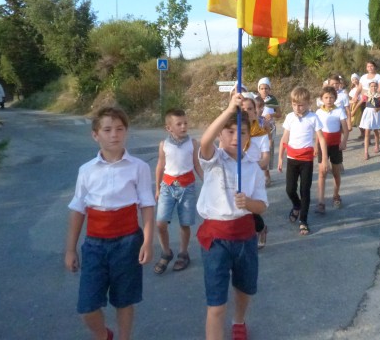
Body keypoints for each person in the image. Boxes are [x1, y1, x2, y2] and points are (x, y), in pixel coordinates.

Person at [65, 106, 155, 340]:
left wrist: (147, 241)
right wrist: (70, 249)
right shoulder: (86, 170)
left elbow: (146, 204)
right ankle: (104, 334)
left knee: (124, 300)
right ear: (96, 135)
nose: (114, 134)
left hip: (127, 242)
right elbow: (78, 209)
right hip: (95, 244)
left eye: (119, 129)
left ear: (126, 132)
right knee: (87, 306)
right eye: (107, 130)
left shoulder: (138, 167)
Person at [196, 93, 268, 340]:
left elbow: (262, 206)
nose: (237, 137)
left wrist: (248, 203)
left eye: (243, 132)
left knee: (244, 288)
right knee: (216, 304)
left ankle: (239, 321)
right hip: (215, 239)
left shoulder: (252, 168)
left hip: (245, 236)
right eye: (230, 132)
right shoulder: (213, 159)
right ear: (221, 135)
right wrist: (229, 110)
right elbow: (204, 142)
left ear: (249, 136)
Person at [153, 108, 204, 275]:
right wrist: (158, 188)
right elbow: (160, 166)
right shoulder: (164, 145)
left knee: (185, 223)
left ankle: (183, 253)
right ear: (169, 128)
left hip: (187, 187)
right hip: (168, 187)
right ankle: (166, 252)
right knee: (160, 223)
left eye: (185, 123)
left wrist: (208, 182)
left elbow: (197, 165)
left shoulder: (193, 143)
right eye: (179, 124)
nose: (183, 127)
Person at [278, 86, 328, 236]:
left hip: (306, 159)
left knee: (304, 190)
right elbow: (284, 138)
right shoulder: (290, 117)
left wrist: (324, 160)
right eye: (294, 104)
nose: (297, 108)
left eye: (300, 105)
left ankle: (303, 221)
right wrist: (280, 157)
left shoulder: (313, 117)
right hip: (292, 158)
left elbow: (321, 139)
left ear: (308, 103)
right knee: (290, 189)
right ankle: (296, 205)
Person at [241, 96, 270, 249]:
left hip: (255, 175)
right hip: (238, 174)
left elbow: (265, 159)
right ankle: (256, 230)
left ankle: (260, 229)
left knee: (250, 207)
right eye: (243, 109)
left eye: (250, 109)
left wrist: (252, 168)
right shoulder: (235, 132)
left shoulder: (262, 134)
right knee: (242, 208)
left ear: (256, 111)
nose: (246, 112)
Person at [314, 86, 348, 213]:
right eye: (326, 97)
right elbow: (317, 132)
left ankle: (336, 195)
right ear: (322, 99)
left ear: (335, 98)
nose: (329, 100)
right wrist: (315, 146)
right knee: (322, 172)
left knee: (335, 172)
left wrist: (344, 141)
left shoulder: (339, 111)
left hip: (335, 145)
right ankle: (321, 201)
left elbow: (345, 129)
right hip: (323, 146)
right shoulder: (318, 112)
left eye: (331, 97)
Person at [257, 77, 281, 186]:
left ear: (269, 89)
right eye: (261, 88)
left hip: (270, 128)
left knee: (268, 150)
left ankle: (267, 175)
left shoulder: (272, 100)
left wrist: (271, 114)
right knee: (259, 150)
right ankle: (262, 174)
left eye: (266, 88)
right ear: (258, 89)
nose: (264, 90)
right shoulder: (256, 100)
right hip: (258, 127)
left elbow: (279, 114)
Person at [360, 81, 380, 159]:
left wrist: (378, 109)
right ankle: (366, 152)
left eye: (375, 86)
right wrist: (353, 111)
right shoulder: (366, 95)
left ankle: (377, 145)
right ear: (369, 87)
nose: (373, 88)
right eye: (372, 86)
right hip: (367, 113)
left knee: (375, 131)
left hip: (375, 113)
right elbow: (360, 102)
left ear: (377, 87)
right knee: (367, 132)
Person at [348, 73, 364, 138]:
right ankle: (362, 133)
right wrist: (350, 108)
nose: (355, 81)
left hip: (362, 104)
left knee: (363, 119)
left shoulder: (362, 88)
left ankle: (365, 133)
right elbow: (352, 100)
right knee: (358, 121)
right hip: (355, 105)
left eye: (356, 79)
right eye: (353, 80)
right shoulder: (353, 89)